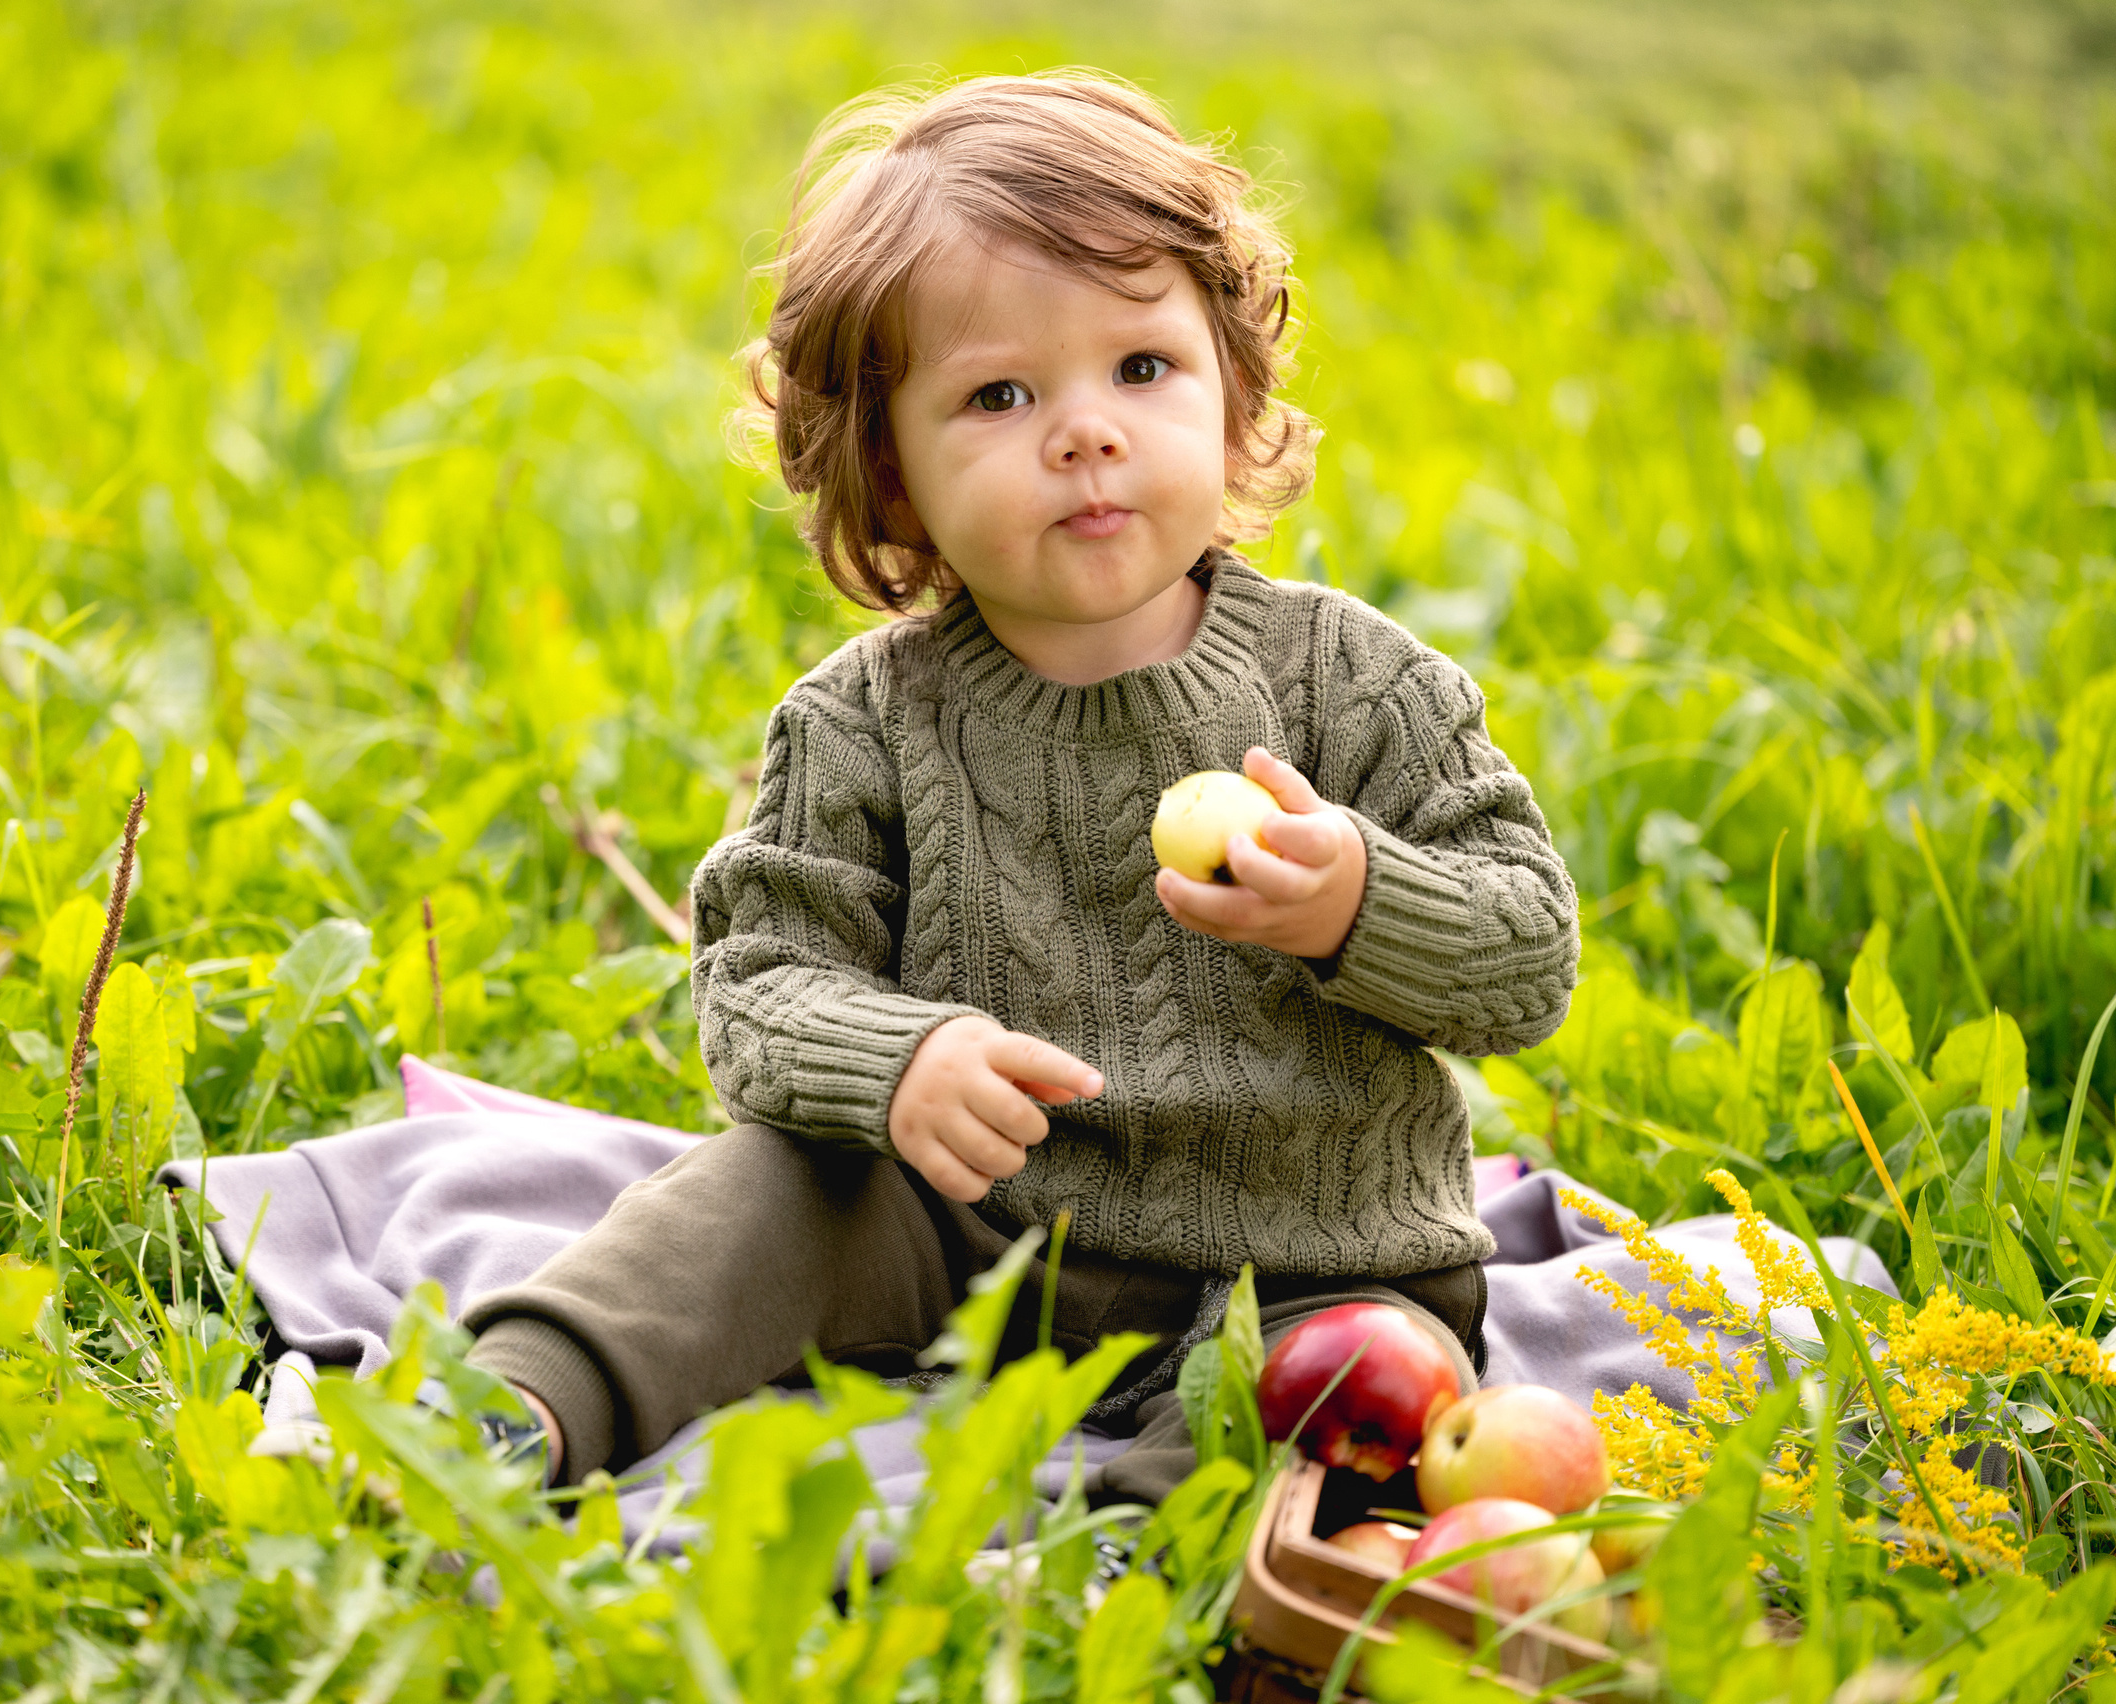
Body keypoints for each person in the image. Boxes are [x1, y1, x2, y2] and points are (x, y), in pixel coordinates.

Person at [460, 70, 1579, 1500]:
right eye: (999, 394)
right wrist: (898, 1060)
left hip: (1311, 1251)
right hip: (972, 1240)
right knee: (758, 1194)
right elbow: (756, 982)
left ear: (1233, 391)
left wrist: (1361, 899)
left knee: (1348, 1376)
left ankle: (1148, 1536)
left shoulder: (1355, 685)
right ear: (891, 473)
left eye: (1142, 368)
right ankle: (515, 1408)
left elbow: (1527, 963)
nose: (1085, 431)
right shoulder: (866, 722)